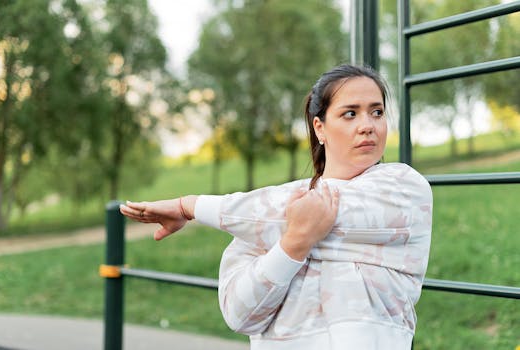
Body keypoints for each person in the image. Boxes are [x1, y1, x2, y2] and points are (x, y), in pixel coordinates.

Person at [120, 63, 433, 349]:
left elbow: (302, 213)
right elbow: (239, 315)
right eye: (350, 113)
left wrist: (189, 206)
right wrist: (293, 245)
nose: (367, 125)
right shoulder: (261, 213)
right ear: (320, 128)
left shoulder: (404, 189)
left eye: (376, 112)